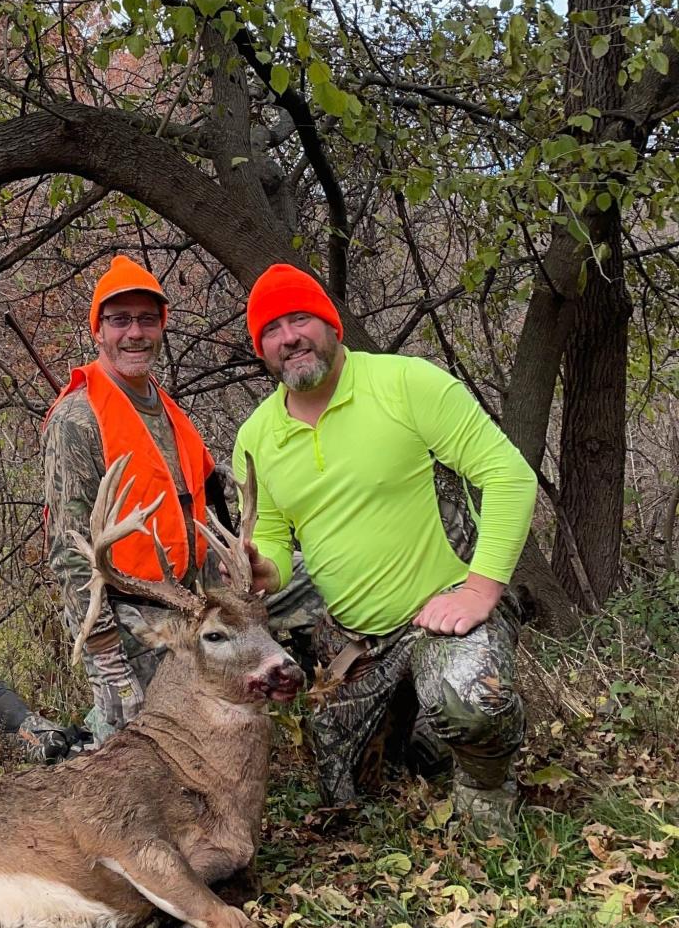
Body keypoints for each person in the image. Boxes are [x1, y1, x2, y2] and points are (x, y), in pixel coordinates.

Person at [233, 264, 538, 835]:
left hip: (443, 616)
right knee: (345, 789)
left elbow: (510, 477)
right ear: (261, 349)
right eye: (271, 329)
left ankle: (486, 785)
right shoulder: (256, 436)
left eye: (301, 318)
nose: (289, 337)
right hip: (358, 644)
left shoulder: (407, 384)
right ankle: (420, 726)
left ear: (332, 323)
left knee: (472, 704)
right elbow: (272, 536)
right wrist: (261, 566)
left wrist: (479, 590)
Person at [40, 254, 317, 747]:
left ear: (162, 326)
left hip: (200, 592)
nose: (134, 333)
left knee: (322, 579)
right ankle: (59, 741)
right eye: (119, 320)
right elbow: (70, 551)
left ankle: (337, 696)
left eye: (147, 319)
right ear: (98, 332)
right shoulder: (77, 421)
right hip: (136, 609)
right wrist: (107, 664)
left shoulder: (165, 410)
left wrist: (242, 566)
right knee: (137, 746)